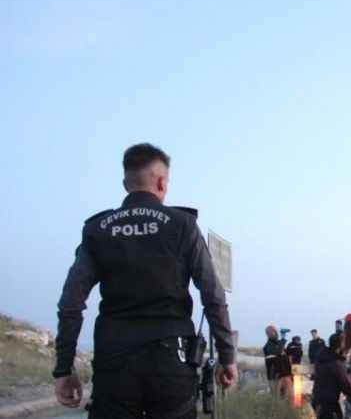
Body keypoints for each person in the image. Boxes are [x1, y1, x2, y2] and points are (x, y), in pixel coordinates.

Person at [52, 143, 238, 419]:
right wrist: (227, 357)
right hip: (172, 360)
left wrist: (64, 369)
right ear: (162, 182)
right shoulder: (183, 225)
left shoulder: (97, 230)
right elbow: (213, 295)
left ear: (125, 183)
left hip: (113, 362)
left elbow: (70, 303)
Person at [312, 334, 351, 419]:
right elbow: (344, 385)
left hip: (318, 399)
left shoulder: (322, 357)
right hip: (329, 404)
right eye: (343, 342)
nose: (345, 344)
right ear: (340, 345)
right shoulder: (335, 363)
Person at [263, 325, 293, 396]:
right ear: (268, 334)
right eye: (273, 332)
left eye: (276, 332)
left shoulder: (279, 344)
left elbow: (284, 355)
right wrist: (283, 339)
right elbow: (278, 351)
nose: (276, 333)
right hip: (276, 377)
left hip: (285, 374)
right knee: (276, 396)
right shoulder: (267, 346)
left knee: (287, 394)